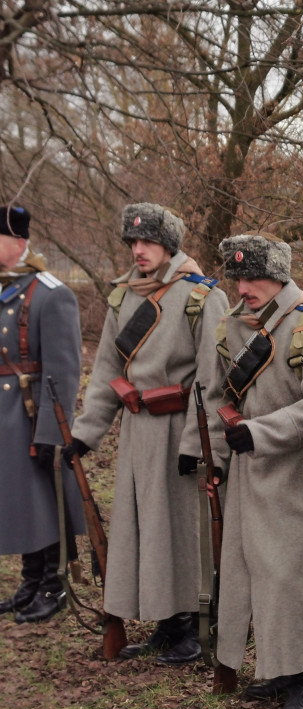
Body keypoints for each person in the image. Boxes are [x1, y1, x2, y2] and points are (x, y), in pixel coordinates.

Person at [193, 231, 303, 709]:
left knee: (289, 577)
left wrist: (260, 433)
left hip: (293, 473)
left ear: (279, 276)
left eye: (254, 276)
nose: (244, 285)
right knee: (248, 573)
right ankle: (276, 668)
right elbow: (218, 401)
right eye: (238, 276)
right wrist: (213, 461)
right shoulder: (232, 327)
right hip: (244, 475)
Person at [68, 203, 228, 663]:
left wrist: (198, 443)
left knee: (183, 530)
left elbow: (211, 380)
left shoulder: (201, 297)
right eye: (133, 242)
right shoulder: (123, 296)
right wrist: (86, 433)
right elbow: (106, 374)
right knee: (146, 530)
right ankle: (167, 622)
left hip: (182, 427)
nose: (138, 250)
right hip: (137, 431)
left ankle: (196, 627)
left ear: (169, 246)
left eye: (148, 242)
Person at [0, 204, 85, 624]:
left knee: (45, 499)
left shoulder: (51, 293)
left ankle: (54, 584)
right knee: (23, 502)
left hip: (36, 415)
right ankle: (31, 580)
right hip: (8, 415)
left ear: (18, 243)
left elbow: (65, 369)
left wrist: (53, 431)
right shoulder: (6, 288)